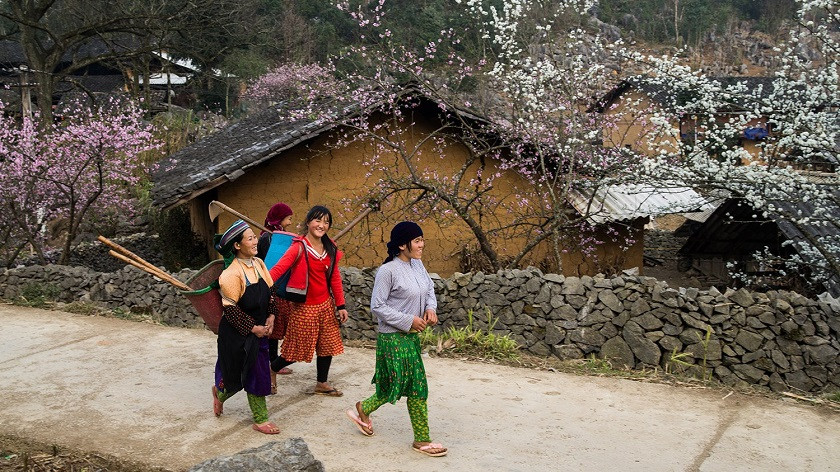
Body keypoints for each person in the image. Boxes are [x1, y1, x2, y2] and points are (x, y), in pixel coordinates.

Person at [344, 221, 448, 457]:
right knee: (416, 385)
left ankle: (364, 407)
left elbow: (429, 289)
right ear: (402, 245)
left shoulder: (417, 265)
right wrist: (409, 320)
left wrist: (430, 308)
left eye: (422, 240)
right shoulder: (387, 271)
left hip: (411, 338)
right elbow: (377, 306)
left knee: (394, 385)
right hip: (393, 338)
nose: (422, 245)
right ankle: (422, 440)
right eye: (417, 240)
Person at [268, 205, 349, 396]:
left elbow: (334, 277)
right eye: (318, 220)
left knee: (327, 345)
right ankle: (272, 369)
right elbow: (278, 270)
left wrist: (341, 304)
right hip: (304, 308)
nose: (322, 225)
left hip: (325, 305)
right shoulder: (298, 247)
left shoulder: (330, 248)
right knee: (296, 350)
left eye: (326, 222)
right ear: (308, 222)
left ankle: (322, 382)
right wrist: (259, 283)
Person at [211, 219, 280, 435]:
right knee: (237, 377)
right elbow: (230, 310)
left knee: (257, 373)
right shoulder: (230, 274)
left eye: (254, 237)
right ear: (237, 245)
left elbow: (271, 291)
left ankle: (259, 417)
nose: (255, 241)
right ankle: (223, 394)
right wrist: (253, 328)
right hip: (237, 334)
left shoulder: (259, 264)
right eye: (250, 238)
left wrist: (271, 316)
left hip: (259, 330)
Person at [257, 202, 295, 388]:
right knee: (271, 327)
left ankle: (273, 361)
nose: (289, 222)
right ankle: (271, 362)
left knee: (277, 326)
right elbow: (267, 264)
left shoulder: (279, 237)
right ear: (279, 219)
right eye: (288, 218)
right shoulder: (267, 239)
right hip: (269, 288)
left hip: (279, 289)